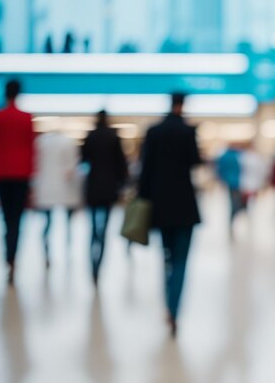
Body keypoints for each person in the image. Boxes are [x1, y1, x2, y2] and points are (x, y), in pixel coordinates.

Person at [138, 93, 203, 337]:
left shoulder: (153, 132)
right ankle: (174, 309)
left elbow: (145, 171)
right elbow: (195, 162)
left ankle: (168, 303)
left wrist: (143, 201)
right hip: (184, 205)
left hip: (159, 205)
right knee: (181, 261)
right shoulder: (187, 132)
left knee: (165, 257)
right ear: (182, 105)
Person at [0, 79, 35, 284]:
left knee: (6, 217)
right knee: (16, 219)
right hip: (21, 174)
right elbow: (32, 150)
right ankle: (12, 258)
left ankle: (8, 256)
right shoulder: (26, 119)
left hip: (1, 174)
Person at [81, 110, 127, 284]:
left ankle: (92, 266)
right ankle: (99, 264)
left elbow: (83, 159)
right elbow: (121, 165)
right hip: (109, 187)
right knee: (105, 228)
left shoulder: (90, 136)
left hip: (93, 186)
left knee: (92, 228)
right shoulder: (113, 137)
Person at [34, 128, 83, 266]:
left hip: (46, 187)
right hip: (64, 187)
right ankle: (67, 249)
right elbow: (72, 166)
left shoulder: (40, 142)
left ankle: (47, 252)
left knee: (47, 223)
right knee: (67, 223)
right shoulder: (67, 143)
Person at [216, 144, 244, 233]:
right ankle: (234, 217)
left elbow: (220, 169)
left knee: (233, 201)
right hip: (237, 182)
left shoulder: (224, 156)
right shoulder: (238, 156)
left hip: (229, 182)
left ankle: (233, 218)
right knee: (236, 202)